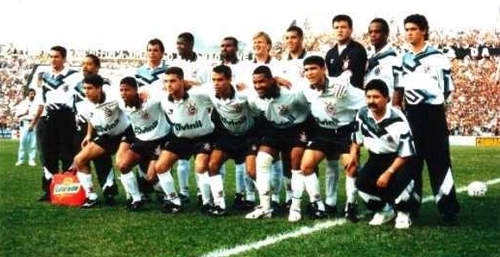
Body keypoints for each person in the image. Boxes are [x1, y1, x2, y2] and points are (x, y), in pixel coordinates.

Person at [395, 14, 460, 226]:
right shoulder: (402, 58)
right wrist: (398, 108)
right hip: (411, 114)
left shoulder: (438, 57)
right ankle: (410, 208)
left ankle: (448, 209)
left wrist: (434, 105)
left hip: (433, 115)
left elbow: (448, 89)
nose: (409, 33)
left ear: (423, 30)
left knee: (440, 163)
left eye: (413, 29)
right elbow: (399, 88)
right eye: (406, 29)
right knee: (411, 162)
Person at [288, 55, 366, 222]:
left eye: (314, 68)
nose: (310, 73)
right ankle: (318, 206)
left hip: (344, 132)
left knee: (351, 168)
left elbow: (367, 100)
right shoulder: (306, 88)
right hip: (322, 133)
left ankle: (350, 205)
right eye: (307, 70)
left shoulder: (341, 87)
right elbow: (291, 95)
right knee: (306, 166)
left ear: (324, 69)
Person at [348, 79, 419, 229]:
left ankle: (403, 212)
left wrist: (388, 172)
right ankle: (384, 210)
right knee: (361, 183)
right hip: (376, 158)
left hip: (400, 159)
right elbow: (356, 140)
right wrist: (353, 155)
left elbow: (406, 153)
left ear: (386, 98)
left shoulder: (398, 118)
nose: (371, 101)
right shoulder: (362, 114)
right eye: (368, 97)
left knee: (400, 183)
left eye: (376, 97)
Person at [245, 65, 310, 219]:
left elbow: (308, 107)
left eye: (262, 82)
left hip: (296, 129)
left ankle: (295, 208)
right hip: (274, 129)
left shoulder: (292, 93)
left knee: (295, 165)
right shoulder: (253, 98)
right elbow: (256, 112)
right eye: (255, 83)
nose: (258, 86)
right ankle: (265, 207)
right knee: (261, 161)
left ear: (272, 80)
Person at [323, 14, 367, 218]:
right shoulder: (330, 53)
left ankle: (352, 202)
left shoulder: (357, 50)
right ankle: (330, 202)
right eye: (336, 27)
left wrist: (344, 77)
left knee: (351, 159)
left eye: (343, 26)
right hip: (334, 108)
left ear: (350, 29)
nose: (339, 30)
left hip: (353, 106)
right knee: (331, 158)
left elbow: (351, 72)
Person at [157, 66, 215, 214]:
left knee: (201, 166)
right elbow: (144, 93)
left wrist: (195, 84)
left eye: (173, 81)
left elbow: (214, 89)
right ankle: (174, 201)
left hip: (203, 137)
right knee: (160, 167)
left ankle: (208, 202)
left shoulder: (198, 95)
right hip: (180, 138)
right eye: (166, 81)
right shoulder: (162, 98)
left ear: (182, 81)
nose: (169, 85)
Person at [205, 65, 260, 215]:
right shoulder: (210, 93)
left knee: (251, 170)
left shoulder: (243, 95)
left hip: (248, 136)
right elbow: (191, 87)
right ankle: (219, 205)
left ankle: (266, 204)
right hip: (228, 137)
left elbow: (259, 101)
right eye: (214, 80)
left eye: (220, 80)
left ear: (230, 80)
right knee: (212, 164)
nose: (216, 83)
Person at [72, 74, 133, 208]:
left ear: (99, 88)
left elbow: (130, 107)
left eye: (89, 88)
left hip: (124, 134)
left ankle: (133, 196)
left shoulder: (114, 98)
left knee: (122, 163)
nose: (86, 92)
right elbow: (90, 119)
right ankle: (91, 196)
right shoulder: (85, 105)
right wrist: (88, 135)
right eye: (84, 88)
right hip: (106, 137)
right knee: (79, 160)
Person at [117, 76, 170, 211]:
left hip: (159, 141)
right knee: (123, 165)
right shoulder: (122, 104)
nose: (124, 93)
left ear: (136, 90)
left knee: (151, 177)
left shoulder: (150, 102)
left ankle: (167, 196)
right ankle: (136, 198)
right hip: (140, 142)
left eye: (127, 90)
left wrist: (150, 93)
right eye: (121, 90)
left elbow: (166, 92)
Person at [35, 45, 81, 201]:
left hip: (66, 117)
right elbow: (42, 101)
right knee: (48, 154)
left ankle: (69, 188)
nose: (53, 60)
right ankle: (49, 190)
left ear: (64, 58)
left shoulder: (74, 76)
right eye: (51, 56)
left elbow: (80, 97)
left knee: (67, 152)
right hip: (49, 117)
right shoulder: (45, 76)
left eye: (56, 57)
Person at [73, 54, 119, 205]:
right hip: (83, 126)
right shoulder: (77, 85)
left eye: (89, 64)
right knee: (81, 158)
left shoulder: (106, 84)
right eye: (83, 64)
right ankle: (88, 193)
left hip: (102, 127)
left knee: (102, 160)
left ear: (97, 67)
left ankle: (109, 192)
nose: (85, 67)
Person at [216, 37, 256, 210]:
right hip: (221, 115)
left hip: (243, 112)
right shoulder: (213, 67)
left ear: (236, 48)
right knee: (218, 159)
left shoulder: (246, 67)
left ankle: (245, 194)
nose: (225, 48)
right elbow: (205, 86)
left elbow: (253, 87)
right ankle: (218, 196)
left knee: (244, 160)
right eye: (222, 46)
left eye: (229, 46)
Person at [134, 38, 169, 201]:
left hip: (162, 116)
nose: (152, 53)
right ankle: (144, 190)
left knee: (161, 156)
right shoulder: (138, 72)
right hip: (143, 118)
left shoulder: (167, 72)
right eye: (149, 50)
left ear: (162, 53)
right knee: (142, 153)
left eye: (156, 50)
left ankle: (162, 189)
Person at [365, 18, 403, 103]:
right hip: (371, 106)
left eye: (377, 32)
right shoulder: (369, 56)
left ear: (386, 34)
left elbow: (399, 86)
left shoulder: (394, 58)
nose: (373, 35)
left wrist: (394, 109)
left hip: (386, 109)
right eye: (370, 32)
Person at [15, 88, 39, 166]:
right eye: (31, 93)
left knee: (33, 142)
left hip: (34, 123)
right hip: (24, 123)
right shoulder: (22, 103)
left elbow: (38, 114)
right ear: (27, 94)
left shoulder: (37, 104)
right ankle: (20, 159)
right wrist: (24, 113)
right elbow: (17, 115)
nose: (33, 95)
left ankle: (31, 160)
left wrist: (34, 121)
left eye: (33, 94)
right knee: (23, 142)